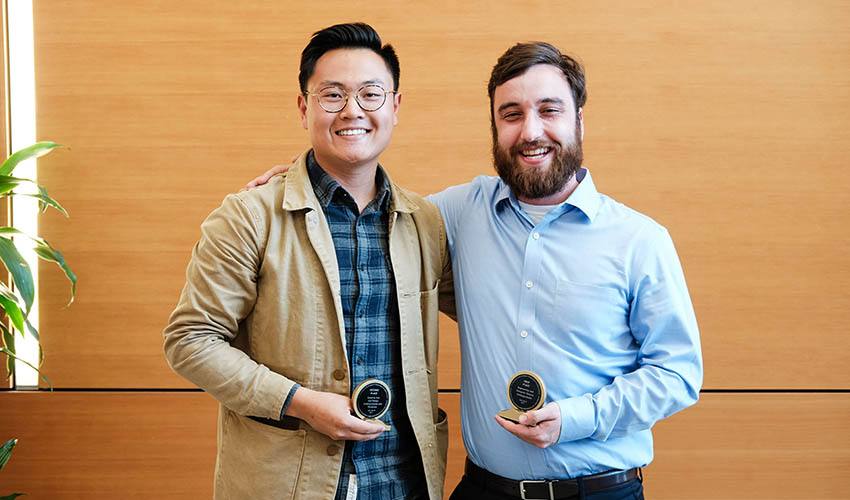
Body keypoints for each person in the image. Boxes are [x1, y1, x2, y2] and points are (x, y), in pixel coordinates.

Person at [249, 41, 702, 500]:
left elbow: (679, 374)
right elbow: (367, 209)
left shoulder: (639, 240)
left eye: (549, 110)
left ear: (579, 120)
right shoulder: (457, 213)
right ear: (494, 127)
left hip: (601, 491)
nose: (531, 131)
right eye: (511, 114)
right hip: (483, 489)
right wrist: (299, 181)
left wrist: (578, 418)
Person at [163, 23, 451, 500]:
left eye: (371, 95)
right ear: (304, 107)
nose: (352, 111)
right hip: (291, 484)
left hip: (405, 481)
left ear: (396, 107)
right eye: (332, 95)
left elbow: (494, 304)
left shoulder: (425, 222)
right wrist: (299, 403)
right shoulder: (250, 215)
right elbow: (190, 341)